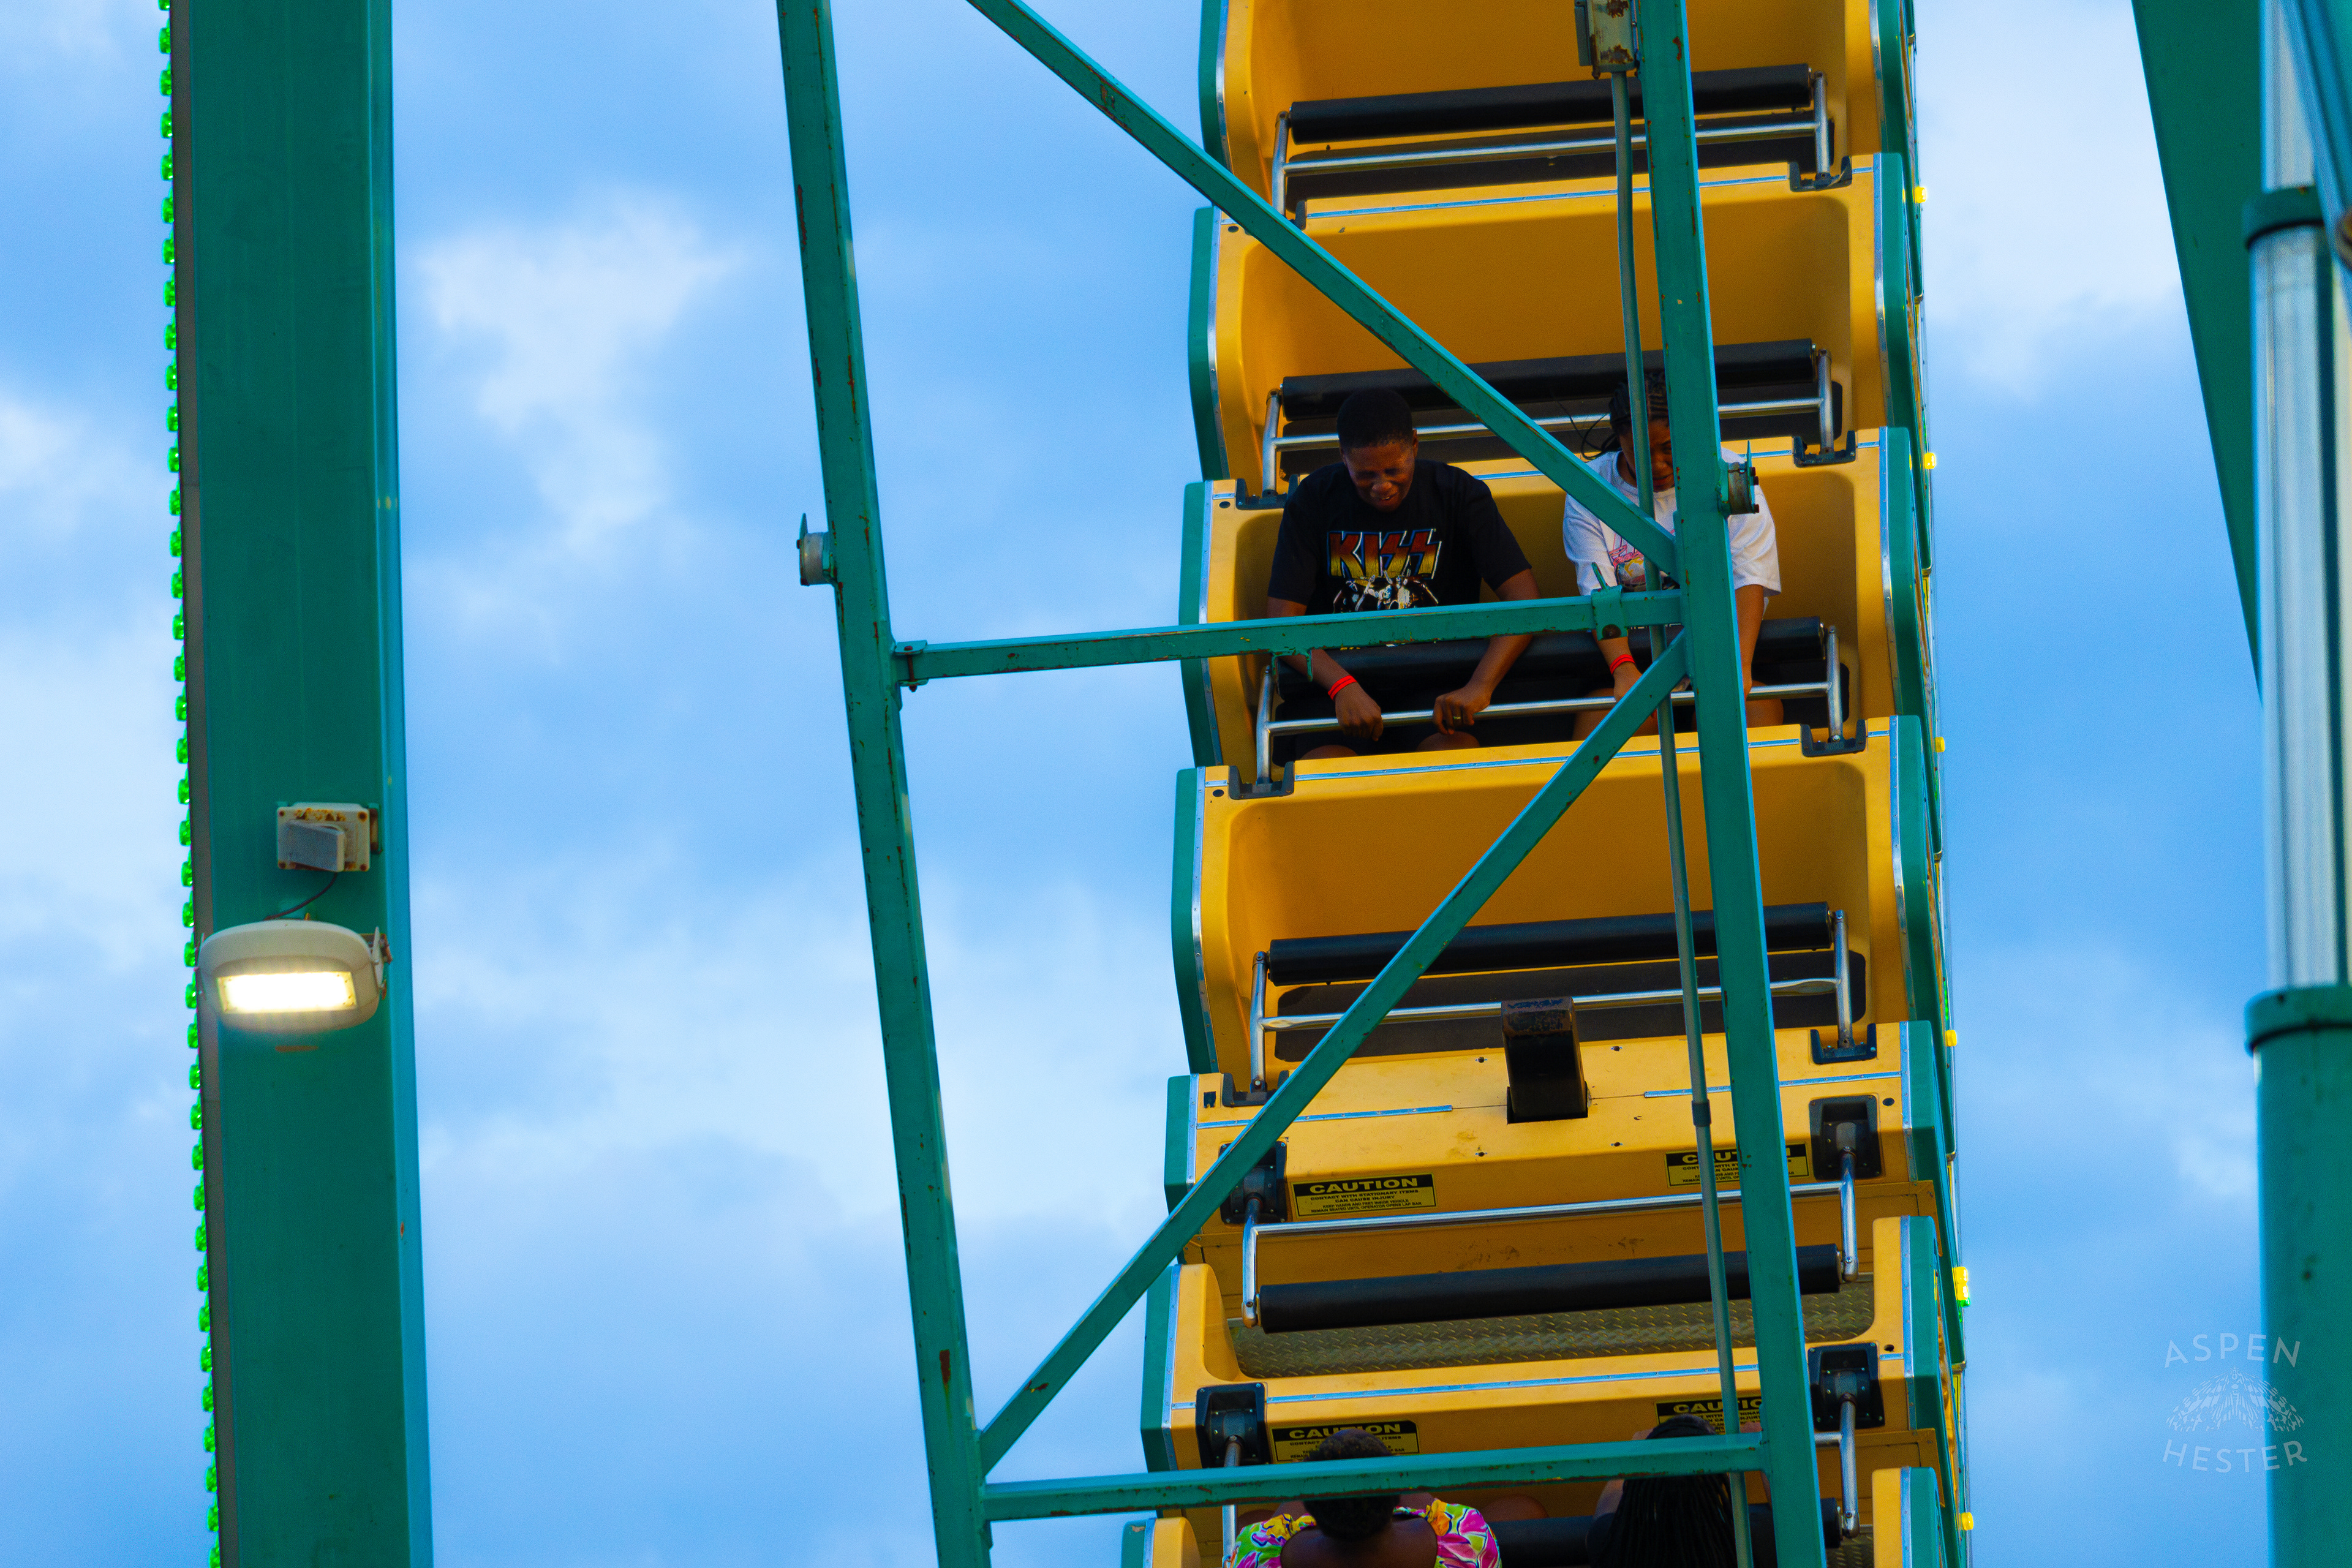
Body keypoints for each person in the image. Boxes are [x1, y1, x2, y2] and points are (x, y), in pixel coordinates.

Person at [1265, 388, 1540, 758]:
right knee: (1328, 778)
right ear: (1342, 456)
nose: (1382, 486)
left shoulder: (1458, 494)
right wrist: (1342, 687)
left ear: (1414, 445)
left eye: (1394, 470)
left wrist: (1479, 686)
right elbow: (1282, 625)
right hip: (1336, 687)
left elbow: (1525, 601)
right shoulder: (1313, 499)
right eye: (1365, 475)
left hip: (1439, 686)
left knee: (1452, 767)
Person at [1561, 371, 1784, 739]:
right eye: (1641, 453)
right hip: (1634, 655)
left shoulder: (1729, 474)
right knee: (1607, 728)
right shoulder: (1589, 489)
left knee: (1743, 720)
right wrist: (1623, 669)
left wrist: (1738, 664)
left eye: (1669, 448)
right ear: (1620, 439)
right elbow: (1597, 590)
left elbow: (1749, 576)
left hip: (1720, 646)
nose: (1659, 465)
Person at [1227, 1427, 1528, 1567]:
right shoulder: (1468, 1542)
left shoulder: (1255, 1554)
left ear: (1310, 1509)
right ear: (1397, 1502)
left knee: (1251, 1518)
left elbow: (1262, 1530)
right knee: (1522, 1509)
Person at [1585, 1415, 1741, 1568]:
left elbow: (1605, 1513)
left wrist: (1636, 1450)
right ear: (1718, 1480)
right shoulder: (1741, 1545)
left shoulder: (1614, 1545)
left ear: (1643, 1486)